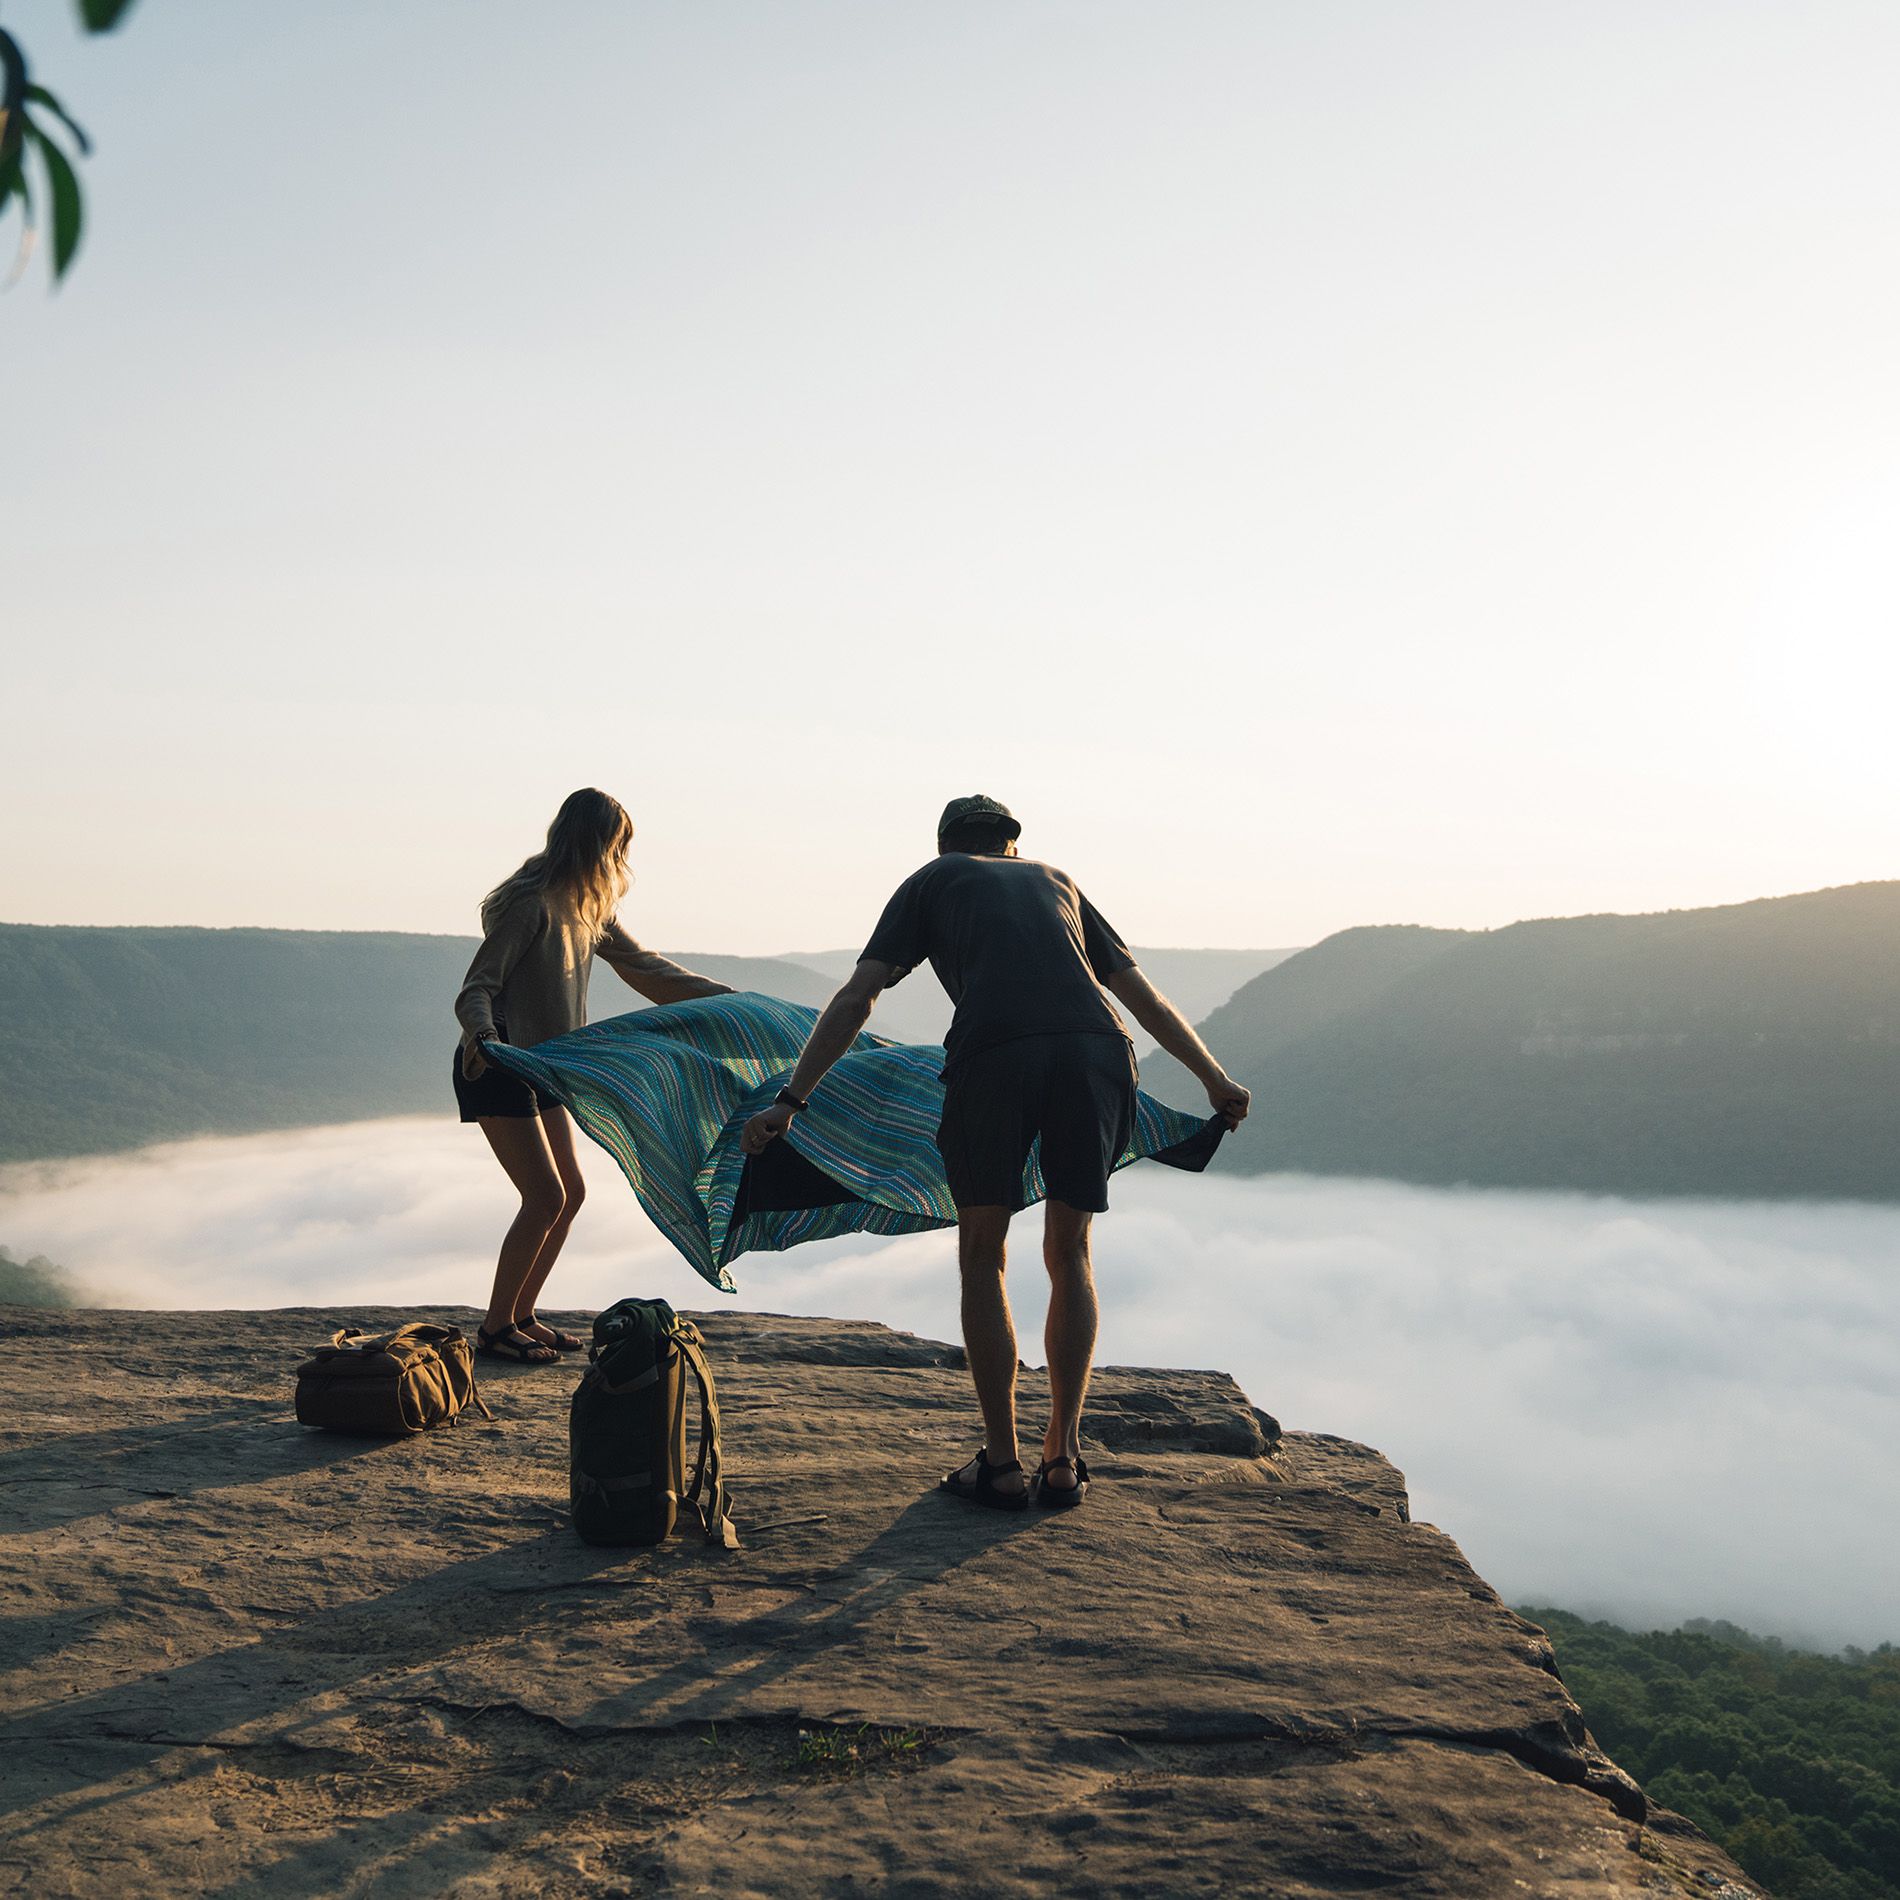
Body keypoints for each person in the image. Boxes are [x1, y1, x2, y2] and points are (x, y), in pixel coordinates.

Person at [742, 794, 1251, 1509]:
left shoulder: (932, 880)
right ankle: (1064, 1458)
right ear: (1013, 845)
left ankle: (1003, 1465)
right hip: (1100, 1052)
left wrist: (791, 1100)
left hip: (996, 1055)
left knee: (985, 1252)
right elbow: (1142, 996)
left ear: (948, 844)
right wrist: (1215, 1078)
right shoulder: (1058, 880)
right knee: (1070, 1251)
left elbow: (859, 996)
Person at [454, 788, 732, 1364]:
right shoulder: (532, 905)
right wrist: (483, 1037)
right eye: (617, 846)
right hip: (499, 1065)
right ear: (597, 845)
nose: (620, 859)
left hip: (547, 1068)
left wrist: (731, 1002)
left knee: (570, 1194)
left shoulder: (588, 908)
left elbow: (649, 971)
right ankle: (495, 1327)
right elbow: (477, 986)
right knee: (544, 1196)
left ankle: (522, 1315)